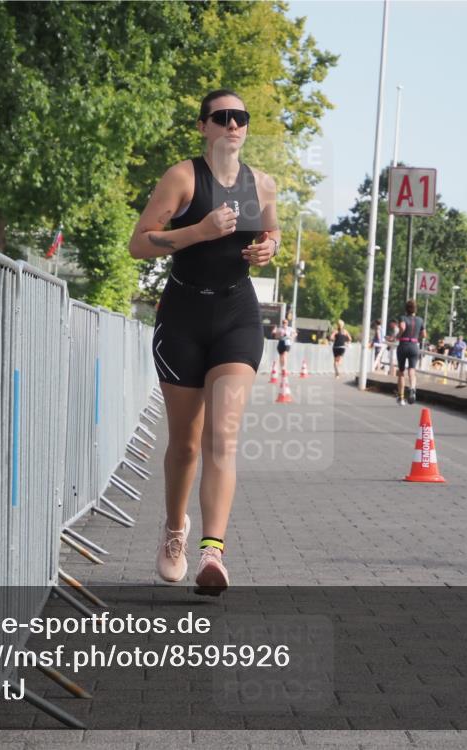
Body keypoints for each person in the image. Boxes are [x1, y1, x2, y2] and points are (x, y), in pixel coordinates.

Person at [128, 89, 280, 594]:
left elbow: (273, 234)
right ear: (204, 127)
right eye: (222, 117)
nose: (233, 124)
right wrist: (199, 231)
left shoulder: (264, 184)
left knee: (223, 436)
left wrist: (268, 249)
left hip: (237, 315)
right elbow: (139, 242)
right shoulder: (183, 177)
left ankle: (212, 553)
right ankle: (175, 530)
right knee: (187, 443)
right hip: (184, 317)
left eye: (240, 117)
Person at [396, 300, 425, 405]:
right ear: (415, 309)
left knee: (401, 372)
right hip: (414, 346)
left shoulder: (403, 318)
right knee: (412, 370)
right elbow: (424, 334)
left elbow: (403, 327)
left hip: (403, 345)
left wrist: (398, 335)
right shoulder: (420, 320)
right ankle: (412, 389)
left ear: (406, 309)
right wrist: (417, 339)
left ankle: (401, 397)